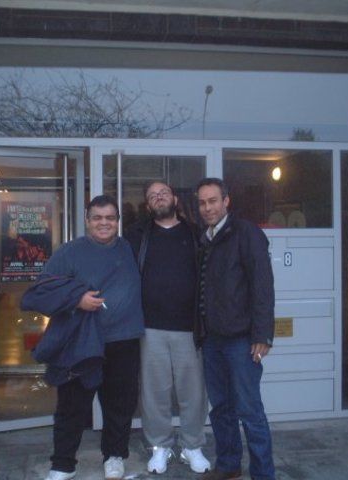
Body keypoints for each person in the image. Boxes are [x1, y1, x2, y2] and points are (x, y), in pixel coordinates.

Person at [23, 195, 144, 480]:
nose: (104, 223)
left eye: (110, 218)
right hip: (82, 342)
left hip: (123, 340)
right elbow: (40, 292)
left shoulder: (129, 247)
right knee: (72, 404)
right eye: (97, 218)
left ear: (118, 221)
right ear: (87, 221)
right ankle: (63, 464)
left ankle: (114, 456)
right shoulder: (69, 252)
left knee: (120, 403)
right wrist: (76, 299)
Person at [125, 181, 210, 475]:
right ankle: (159, 446)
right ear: (148, 205)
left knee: (193, 393)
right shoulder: (137, 235)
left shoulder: (196, 234)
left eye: (163, 193)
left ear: (174, 198)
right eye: (152, 196)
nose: (159, 198)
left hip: (189, 328)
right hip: (150, 328)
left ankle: (192, 446)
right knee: (154, 394)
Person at [195, 178, 276, 480]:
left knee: (250, 411)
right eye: (202, 203)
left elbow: (262, 285)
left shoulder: (246, 233)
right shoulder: (205, 238)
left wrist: (262, 334)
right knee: (220, 408)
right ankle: (229, 465)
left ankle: (263, 474)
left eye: (213, 201)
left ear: (226, 201)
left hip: (242, 341)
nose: (207, 208)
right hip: (213, 340)